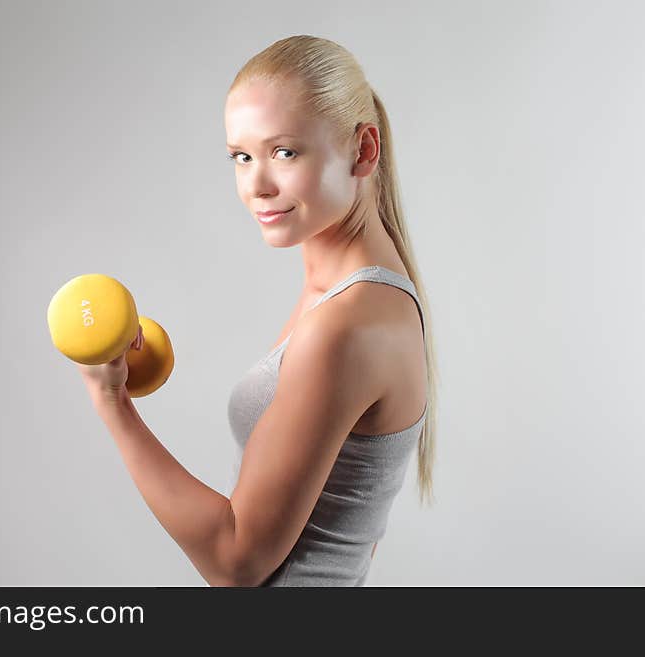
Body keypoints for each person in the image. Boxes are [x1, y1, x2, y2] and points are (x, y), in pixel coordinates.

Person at [78, 35, 438, 587]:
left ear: (363, 150)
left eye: (284, 152)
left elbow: (235, 559)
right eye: (241, 156)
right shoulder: (344, 295)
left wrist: (112, 403)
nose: (256, 185)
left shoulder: (348, 325)